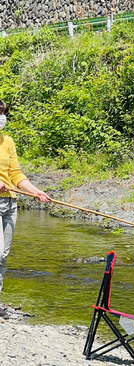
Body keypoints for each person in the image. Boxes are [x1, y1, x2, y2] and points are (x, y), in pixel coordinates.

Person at [0, 100, 51, 317]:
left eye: (3, 112)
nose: (2, 117)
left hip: (10, 202)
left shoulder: (7, 141)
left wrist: (36, 191)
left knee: (3, 254)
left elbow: (16, 175)